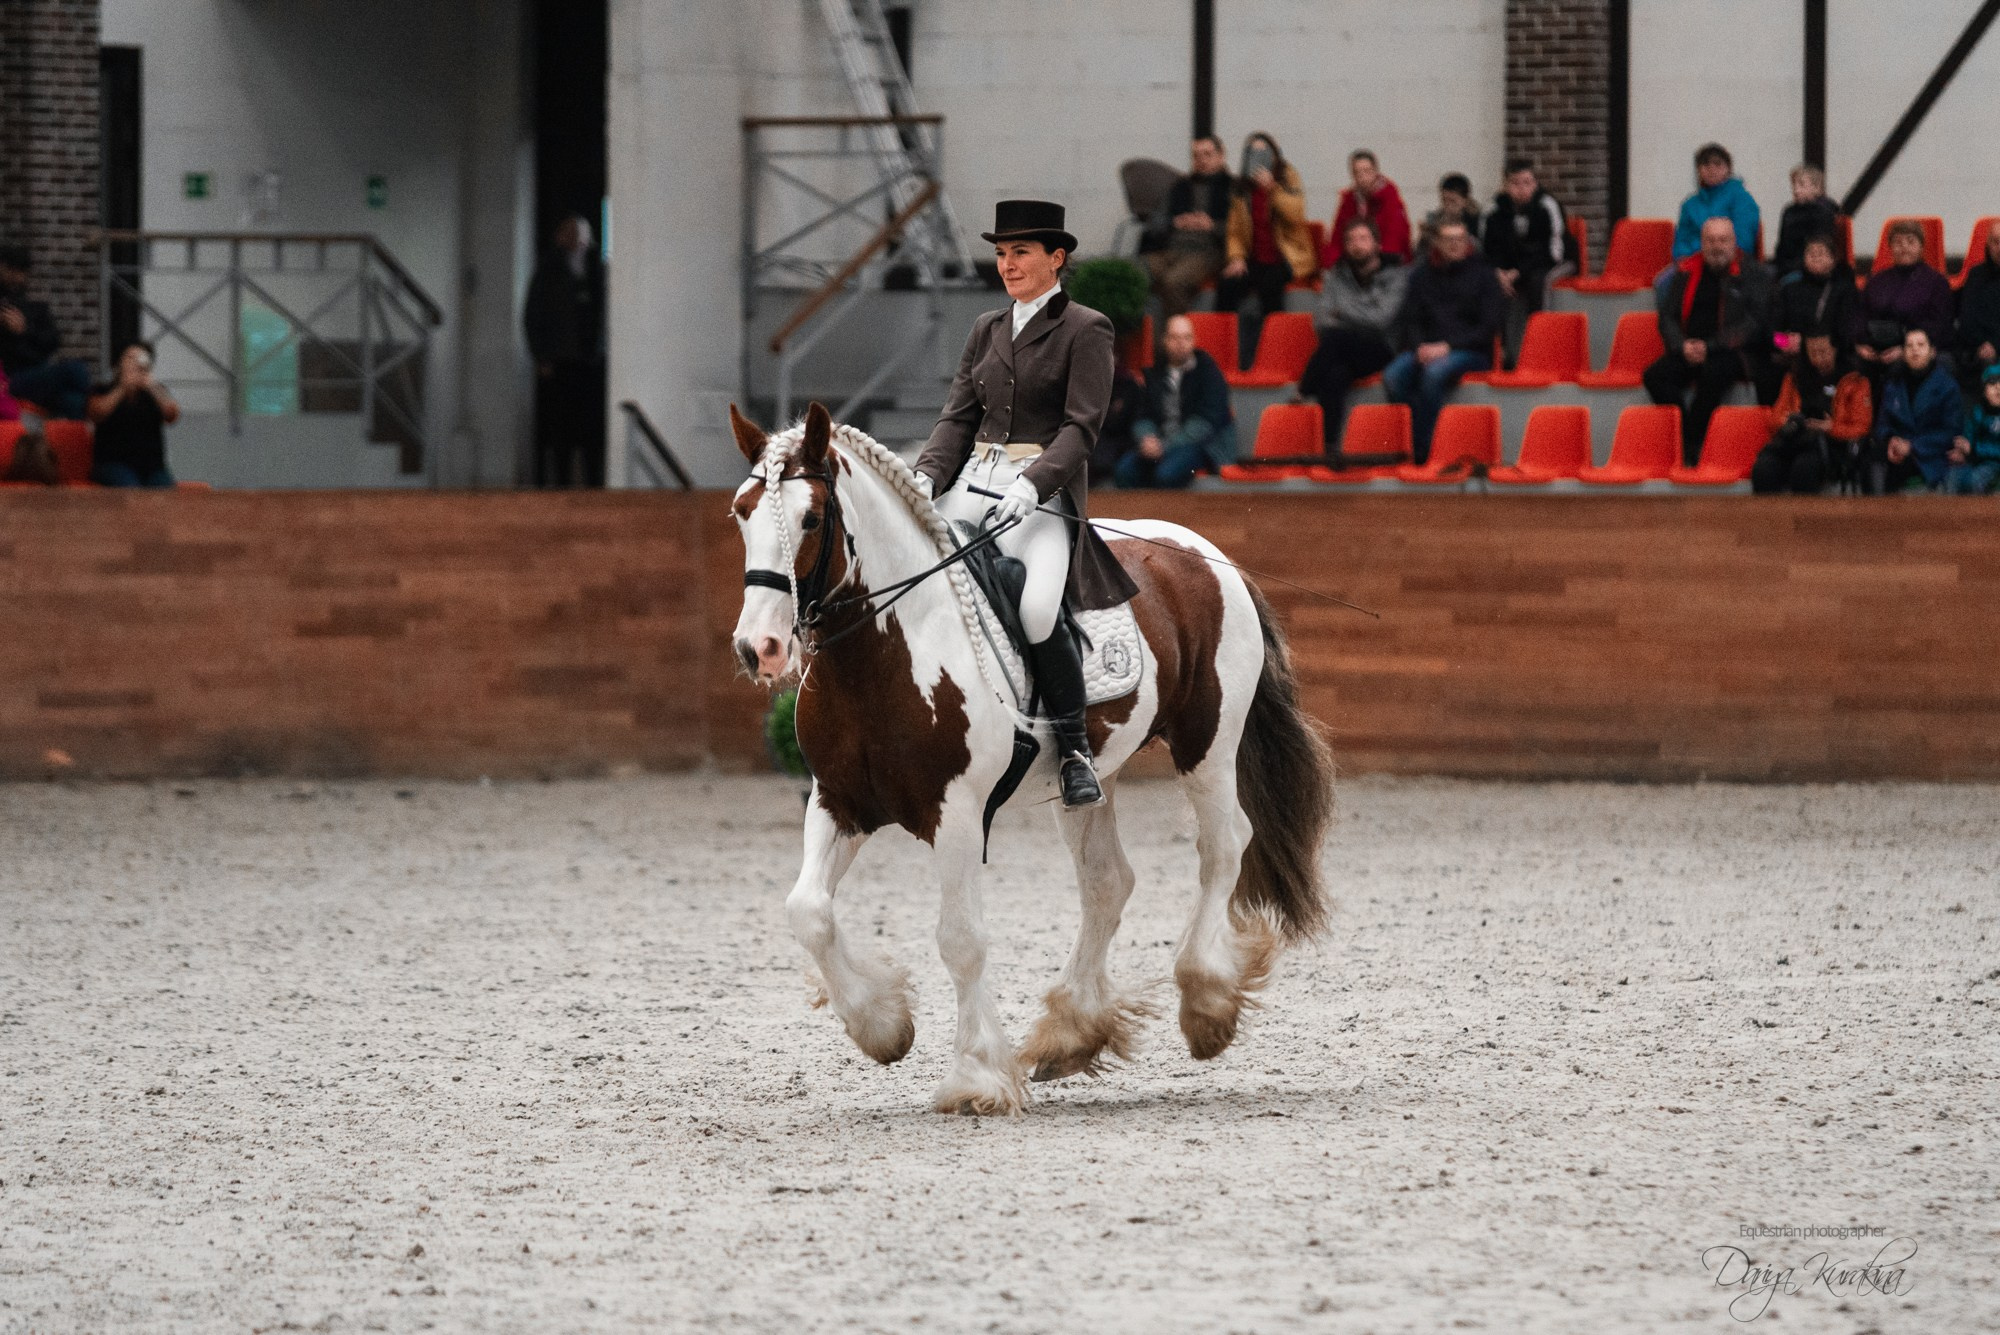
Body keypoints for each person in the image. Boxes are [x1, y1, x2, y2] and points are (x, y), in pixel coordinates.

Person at [915, 199, 1136, 810]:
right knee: (917, 583)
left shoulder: (1086, 328)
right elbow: (957, 418)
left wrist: (1033, 484)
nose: (1007, 265)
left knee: (1037, 610)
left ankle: (1073, 752)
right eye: (1000, 253)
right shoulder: (986, 328)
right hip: (973, 483)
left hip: (1039, 497)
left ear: (1055, 258)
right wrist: (925, 478)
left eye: (1020, 253)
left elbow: (1082, 427)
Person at [1644, 217, 1776, 466]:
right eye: (1711, 240)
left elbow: (1754, 324)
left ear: (1734, 242)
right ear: (1702, 243)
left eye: (1723, 240)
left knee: (1714, 373)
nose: (1717, 246)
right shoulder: (1686, 271)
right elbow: (1667, 317)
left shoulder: (1754, 273)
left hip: (1732, 352)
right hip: (1688, 347)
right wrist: (1681, 345)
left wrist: (1711, 346)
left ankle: (1692, 443)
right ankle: (1684, 432)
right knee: (1654, 376)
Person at [1382, 219, 1504, 463]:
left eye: (1460, 239)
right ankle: (1420, 434)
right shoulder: (1420, 276)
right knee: (1392, 377)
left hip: (1471, 351)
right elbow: (1411, 319)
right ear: (1437, 243)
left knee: (1433, 373)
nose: (1455, 245)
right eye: (1448, 239)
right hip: (1427, 349)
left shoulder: (1485, 275)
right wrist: (1419, 347)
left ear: (1468, 242)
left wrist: (1447, 347)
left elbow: (1488, 327)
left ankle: (1423, 452)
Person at [1295, 218, 1409, 449]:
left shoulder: (1397, 276)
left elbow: (1381, 320)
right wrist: (1360, 315)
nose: (1357, 245)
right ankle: (1329, 447)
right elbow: (1322, 321)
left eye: (1363, 239)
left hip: (1381, 349)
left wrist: (1342, 312)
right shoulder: (1334, 276)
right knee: (1335, 376)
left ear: (1377, 245)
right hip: (1343, 350)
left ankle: (1305, 387)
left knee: (1338, 337)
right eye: (1351, 240)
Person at [1216, 132, 1315, 367]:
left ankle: (1273, 356)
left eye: (1264, 153)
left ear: (1274, 156)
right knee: (1227, 284)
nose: (1258, 158)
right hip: (1254, 258)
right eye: (1253, 153)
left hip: (1287, 257)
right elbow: (1234, 231)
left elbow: (1296, 215)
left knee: (1270, 286)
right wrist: (1236, 258)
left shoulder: (1288, 177)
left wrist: (1273, 190)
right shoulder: (1241, 188)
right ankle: (1223, 355)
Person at [523, 215, 606, 487]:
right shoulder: (548, 270)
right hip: (559, 361)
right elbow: (533, 315)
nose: (578, 239)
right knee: (560, 427)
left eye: (582, 233)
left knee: (592, 427)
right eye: (571, 233)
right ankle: (560, 485)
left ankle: (594, 484)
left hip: (591, 361)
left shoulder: (597, 269)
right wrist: (541, 355)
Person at [1116, 314, 1234, 488]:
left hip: (1200, 446)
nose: (1181, 343)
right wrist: (1146, 438)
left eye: (1187, 338)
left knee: (1166, 474)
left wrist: (1164, 445)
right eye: (1175, 338)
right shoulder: (1154, 374)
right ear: (1165, 340)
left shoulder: (1209, 372)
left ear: (1194, 341)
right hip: (1159, 443)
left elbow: (1205, 424)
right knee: (1124, 471)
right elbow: (1142, 415)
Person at [1481, 159, 1575, 362]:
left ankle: (1540, 346)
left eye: (1527, 183)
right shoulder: (1493, 209)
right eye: (1515, 183)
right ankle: (1503, 353)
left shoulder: (1547, 205)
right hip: (1512, 266)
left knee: (1538, 282)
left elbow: (1553, 252)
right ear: (1505, 185)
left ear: (1535, 183)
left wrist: (1518, 272)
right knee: (1489, 283)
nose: (1522, 189)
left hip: (1554, 262)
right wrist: (1499, 273)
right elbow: (1487, 250)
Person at [1752, 334, 1870, 494]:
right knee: (1763, 468)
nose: (1818, 358)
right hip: (1793, 439)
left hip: (1829, 445)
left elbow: (1861, 428)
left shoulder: (1855, 380)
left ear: (1835, 349)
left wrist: (1830, 427)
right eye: (1812, 352)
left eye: (1823, 352)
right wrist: (1788, 421)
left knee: (1804, 468)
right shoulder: (1794, 377)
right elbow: (1774, 418)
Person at [1143, 135, 1233, 317]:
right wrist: (1175, 222)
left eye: (1207, 154)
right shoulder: (1180, 187)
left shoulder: (1233, 188)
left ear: (1221, 156)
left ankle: (1178, 333)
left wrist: (1211, 225)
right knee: (1134, 272)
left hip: (1207, 251)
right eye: (1196, 155)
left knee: (1174, 282)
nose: (1202, 160)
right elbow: (1155, 222)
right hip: (1170, 248)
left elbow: (1242, 231)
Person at [0, 245, 91, 420]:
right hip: (11, 378)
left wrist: (24, 331)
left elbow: (52, 342)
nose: (16, 278)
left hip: (37, 373)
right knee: (75, 370)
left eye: (20, 272)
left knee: (73, 400)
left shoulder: (33, 308)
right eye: (10, 270)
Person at [1856, 219, 1953, 382]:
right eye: (1898, 242)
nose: (1904, 247)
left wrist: (1905, 349)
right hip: (1876, 347)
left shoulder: (1936, 282)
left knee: (1900, 367)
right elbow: (1860, 314)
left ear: (1921, 247)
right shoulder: (1876, 280)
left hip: (1916, 347)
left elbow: (1940, 325)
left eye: (1910, 241)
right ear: (1890, 247)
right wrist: (1860, 345)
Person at [1868, 327, 1960, 493]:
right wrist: (1891, 440)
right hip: (1895, 449)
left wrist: (1912, 446)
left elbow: (1950, 432)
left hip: (1929, 453)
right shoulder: (1893, 384)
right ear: (1903, 352)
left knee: (1898, 470)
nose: (1915, 350)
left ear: (1932, 352)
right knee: (1872, 457)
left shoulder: (1947, 387)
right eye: (1909, 346)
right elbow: (1882, 423)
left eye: (1920, 345)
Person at [86, 340, 180, 487]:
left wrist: (152, 386)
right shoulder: (104, 389)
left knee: (164, 490)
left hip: (152, 467)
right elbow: (97, 413)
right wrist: (123, 388)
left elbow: (172, 415)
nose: (134, 364)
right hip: (112, 464)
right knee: (130, 487)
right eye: (130, 358)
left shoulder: (155, 392)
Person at [1771, 233, 1861, 363]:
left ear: (1833, 259)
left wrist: (1806, 343)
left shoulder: (1845, 290)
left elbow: (1847, 332)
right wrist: (1784, 342)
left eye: (1821, 253)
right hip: (1793, 355)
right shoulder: (1789, 289)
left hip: (1832, 353)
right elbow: (1772, 331)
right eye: (1810, 253)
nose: (1815, 257)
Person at [1672, 143, 1761, 260]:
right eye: (1706, 164)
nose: (1712, 169)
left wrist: (1708, 249)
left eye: (1717, 164)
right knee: (1667, 273)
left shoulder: (1742, 200)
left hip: (1731, 262)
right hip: (1694, 263)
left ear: (1728, 169)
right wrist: (1696, 257)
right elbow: (1680, 246)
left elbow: (1743, 242)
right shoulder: (1689, 205)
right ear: (1698, 170)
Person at [1329, 150, 1412, 264]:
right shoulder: (1349, 199)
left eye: (1367, 171)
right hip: (1355, 261)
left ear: (1376, 172)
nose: (1362, 177)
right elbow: (1338, 236)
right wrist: (1334, 262)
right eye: (1357, 173)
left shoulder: (1389, 197)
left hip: (1387, 262)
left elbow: (1395, 237)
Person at [1771, 164, 1839, 277]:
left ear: (1817, 188)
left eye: (1801, 185)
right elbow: (1781, 246)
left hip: (1805, 268)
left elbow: (1819, 248)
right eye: (1794, 185)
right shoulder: (1789, 211)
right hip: (1785, 264)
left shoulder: (1823, 213)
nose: (1796, 190)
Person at [1954, 219, 2000, 384]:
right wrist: (1982, 344)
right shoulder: (1976, 275)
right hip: (1977, 347)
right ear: (1988, 245)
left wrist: (1995, 345)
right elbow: (1967, 318)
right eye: (1996, 242)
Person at [1947, 364, 2000, 494]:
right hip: (1977, 461)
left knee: (1976, 480)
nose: (1998, 388)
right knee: (1953, 476)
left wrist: (1973, 450)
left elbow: (1974, 448)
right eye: (1992, 383)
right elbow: (1969, 437)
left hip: (1993, 463)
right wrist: (1962, 450)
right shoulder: (1977, 412)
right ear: (1984, 390)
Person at [1419, 172, 1483, 251]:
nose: (1448, 206)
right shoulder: (1433, 220)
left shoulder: (1478, 221)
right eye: (1444, 201)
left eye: (1453, 201)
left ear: (1465, 200)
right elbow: (1421, 252)